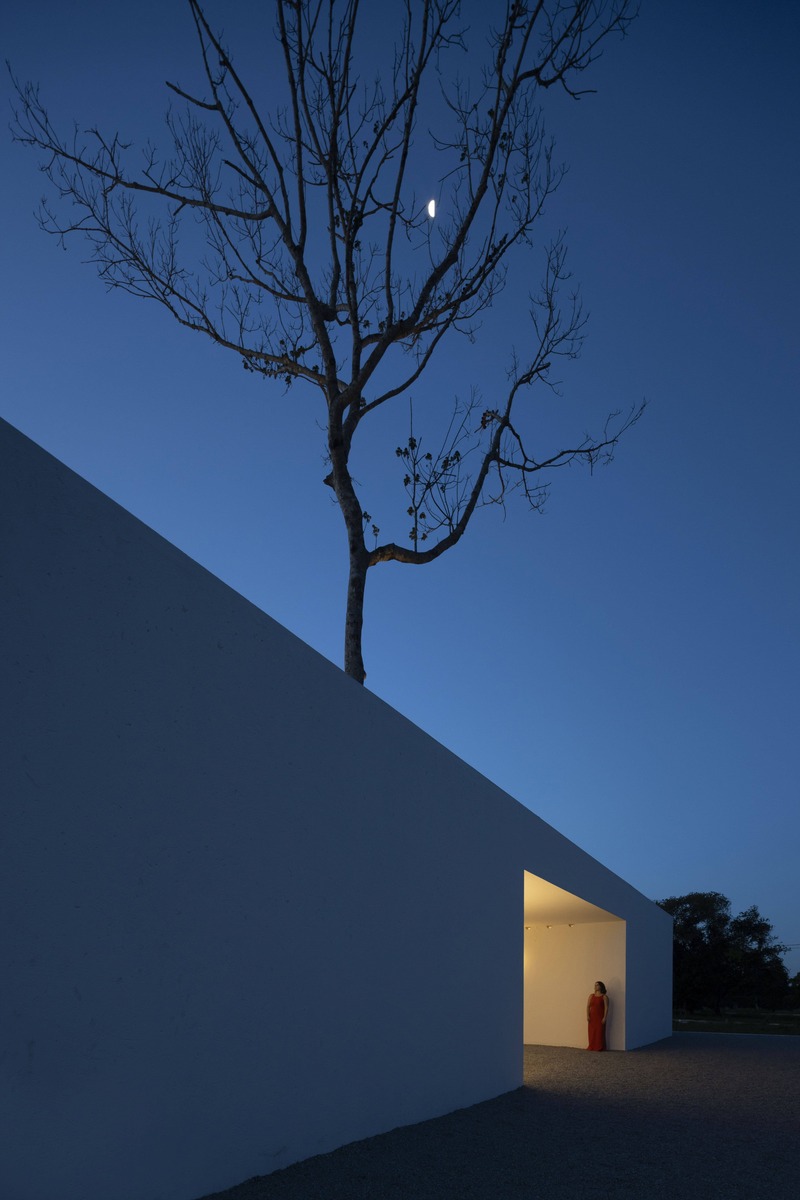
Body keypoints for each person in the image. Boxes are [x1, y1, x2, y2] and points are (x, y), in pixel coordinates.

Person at [586, 981, 609, 1050]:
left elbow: (606, 1007)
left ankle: (599, 1047)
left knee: (599, 1033)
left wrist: (605, 1017)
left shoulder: (604, 997)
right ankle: (592, 1046)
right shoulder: (591, 996)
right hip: (592, 1017)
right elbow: (588, 1006)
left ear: (601, 986)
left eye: (597, 985)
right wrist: (587, 1015)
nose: (595, 986)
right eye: (595, 985)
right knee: (592, 1032)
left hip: (600, 1017)